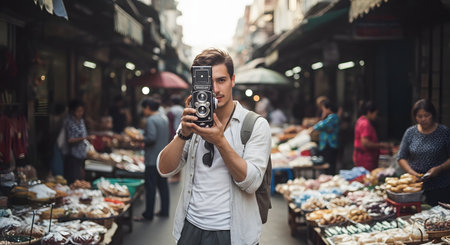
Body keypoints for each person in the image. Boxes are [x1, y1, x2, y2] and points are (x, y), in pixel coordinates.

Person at [157, 48, 271, 245]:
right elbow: (164, 169)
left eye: (221, 80)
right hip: (190, 228)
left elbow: (252, 182)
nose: (215, 90)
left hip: (233, 233)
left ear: (232, 80)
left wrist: (220, 141)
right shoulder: (194, 120)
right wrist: (183, 133)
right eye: (208, 82)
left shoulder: (255, 125)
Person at [397, 99, 450, 205]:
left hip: (440, 186)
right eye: (419, 116)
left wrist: (439, 168)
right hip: (415, 187)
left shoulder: (443, 132)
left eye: (426, 115)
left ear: (433, 115)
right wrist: (412, 173)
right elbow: (401, 157)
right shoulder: (410, 132)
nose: (423, 119)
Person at [136, 98, 170, 221]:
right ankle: (164, 210)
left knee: (150, 187)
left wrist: (140, 139)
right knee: (163, 186)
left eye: (143, 108)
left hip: (152, 159)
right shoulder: (163, 118)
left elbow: (151, 137)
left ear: (148, 108)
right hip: (163, 158)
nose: (143, 111)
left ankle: (148, 214)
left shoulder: (150, 120)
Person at [353, 101, 391, 171]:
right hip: (365, 159)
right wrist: (381, 145)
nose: (376, 116)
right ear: (369, 112)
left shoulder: (360, 120)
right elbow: (365, 143)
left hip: (361, 156)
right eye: (375, 113)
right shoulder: (365, 124)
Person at [64, 99, 94, 184]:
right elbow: (70, 140)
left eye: (82, 111)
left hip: (81, 154)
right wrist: (85, 138)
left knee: (80, 178)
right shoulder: (69, 121)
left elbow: (84, 134)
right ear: (73, 111)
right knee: (74, 180)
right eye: (78, 111)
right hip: (72, 155)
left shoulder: (81, 120)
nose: (81, 113)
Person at [308, 100, 339, 174]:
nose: (323, 110)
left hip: (330, 144)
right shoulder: (330, 117)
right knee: (328, 164)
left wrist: (313, 128)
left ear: (328, 109)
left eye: (324, 109)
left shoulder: (333, 117)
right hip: (327, 144)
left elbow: (323, 125)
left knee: (330, 165)